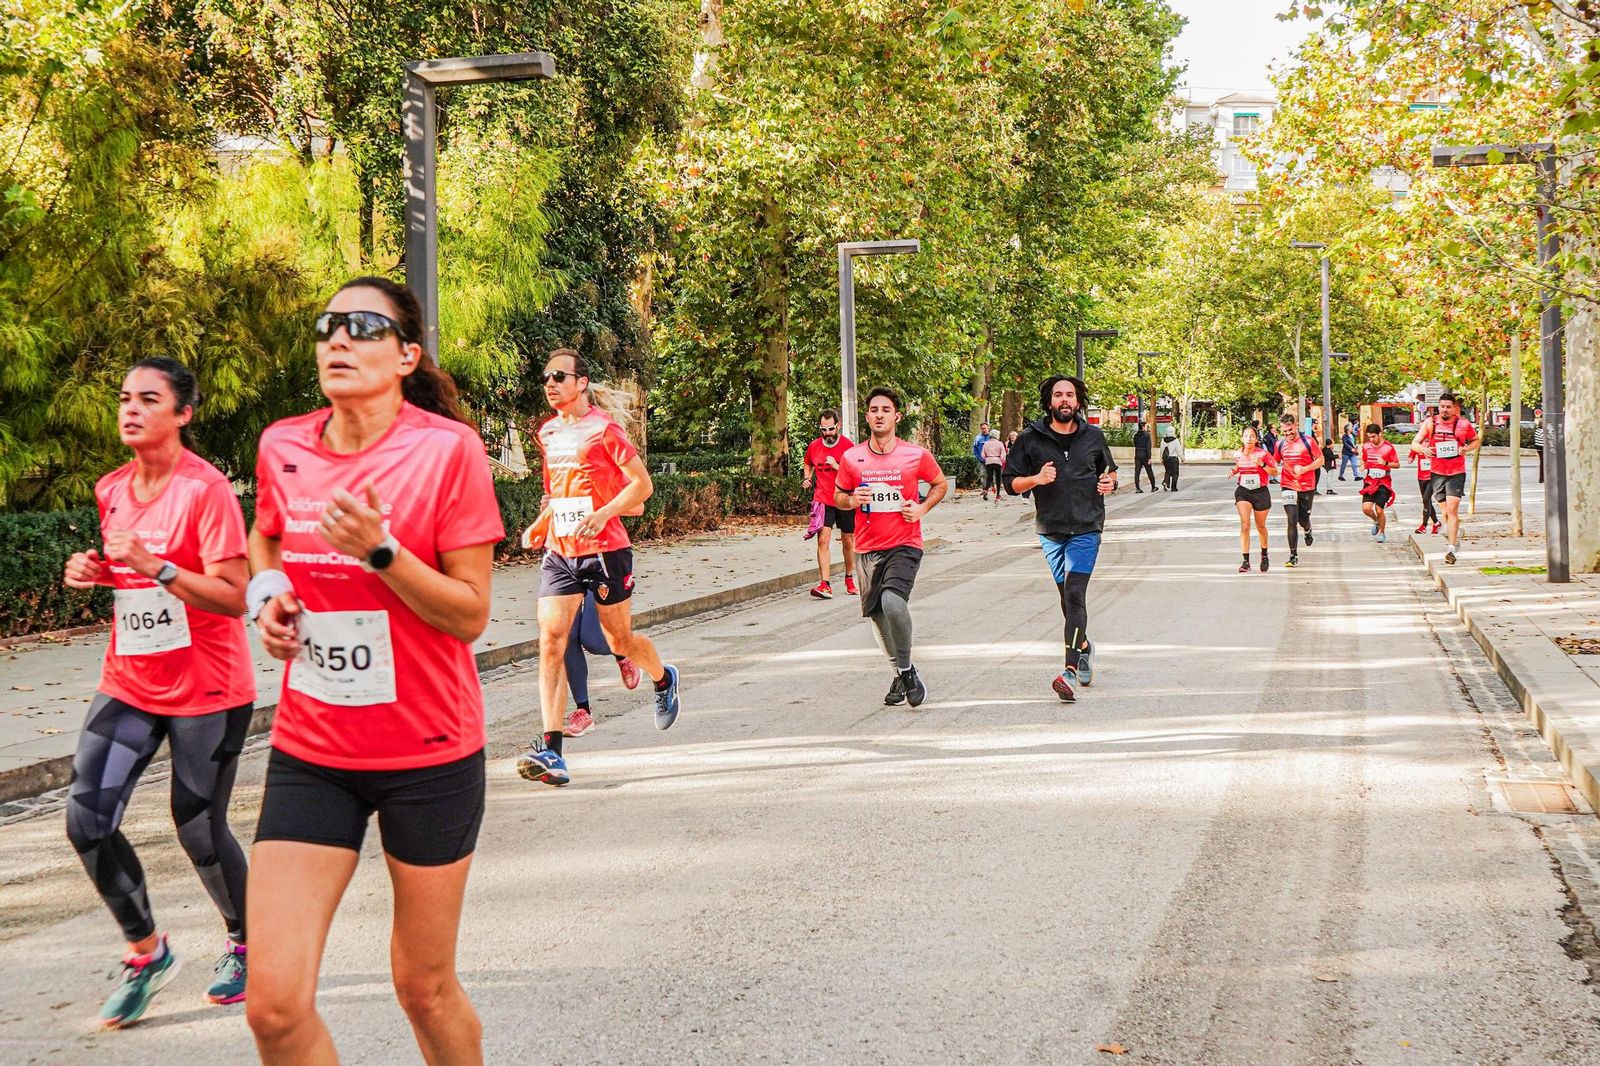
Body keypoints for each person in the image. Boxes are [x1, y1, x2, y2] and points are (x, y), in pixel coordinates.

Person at [244, 277, 505, 1064]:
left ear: (406, 355)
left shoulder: (446, 451)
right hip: (312, 749)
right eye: (327, 326)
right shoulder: (282, 445)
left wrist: (383, 553)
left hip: (428, 754)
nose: (337, 340)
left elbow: (469, 612)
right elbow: (266, 538)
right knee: (274, 1007)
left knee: (422, 988)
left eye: (362, 326)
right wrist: (269, 594)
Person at [60, 358, 255, 1028]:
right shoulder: (112, 487)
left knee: (198, 828)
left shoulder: (206, 492)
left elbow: (234, 596)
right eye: (124, 398)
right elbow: (130, 574)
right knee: (87, 819)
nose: (131, 409)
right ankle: (146, 952)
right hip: (132, 681)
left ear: (183, 414)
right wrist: (100, 571)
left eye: (149, 399)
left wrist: (157, 566)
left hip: (209, 689)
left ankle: (247, 941)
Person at [517, 349, 682, 787]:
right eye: (546, 377)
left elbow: (641, 487)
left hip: (606, 551)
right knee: (551, 640)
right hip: (560, 551)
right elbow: (555, 496)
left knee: (619, 640)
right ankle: (552, 750)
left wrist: (604, 513)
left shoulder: (605, 431)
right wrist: (539, 525)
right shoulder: (548, 432)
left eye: (559, 376)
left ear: (581, 382)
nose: (549, 384)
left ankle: (663, 678)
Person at [1003, 375, 1118, 703]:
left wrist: (1108, 482)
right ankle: (1083, 647)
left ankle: (1068, 669)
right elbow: (1010, 483)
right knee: (1066, 599)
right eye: (1058, 395)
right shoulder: (1030, 439)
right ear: (1049, 402)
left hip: (1087, 527)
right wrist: (1036, 479)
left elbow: (1108, 472)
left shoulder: (1094, 436)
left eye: (1070, 394)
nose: (1064, 400)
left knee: (1074, 593)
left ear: (1078, 401)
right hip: (1051, 531)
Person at [834, 388, 948, 708]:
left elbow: (940, 484)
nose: (880, 414)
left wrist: (922, 509)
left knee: (893, 604)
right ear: (867, 416)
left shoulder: (915, 454)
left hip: (905, 543)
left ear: (897, 416)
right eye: (874, 409)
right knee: (876, 616)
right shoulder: (852, 457)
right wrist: (852, 500)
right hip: (867, 548)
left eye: (886, 409)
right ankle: (901, 671)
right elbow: (839, 495)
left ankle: (907, 668)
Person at [559, 589, 643, 739]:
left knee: (593, 641)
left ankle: (622, 652)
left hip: (597, 571)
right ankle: (583, 712)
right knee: (567, 636)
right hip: (566, 570)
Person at [1410, 390, 1480, 564]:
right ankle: (1455, 535)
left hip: (1456, 472)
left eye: (1448, 407)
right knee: (1445, 513)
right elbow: (1415, 443)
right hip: (1437, 473)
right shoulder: (1429, 424)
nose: (1444, 410)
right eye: (1442, 406)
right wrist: (1424, 449)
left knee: (1452, 508)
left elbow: (1476, 440)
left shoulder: (1463, 424)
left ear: (1454, 408)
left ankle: (1451, 550)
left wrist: (1466, 449)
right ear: (1438, 407)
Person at [802, 409, 857, 598]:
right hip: (823, 499)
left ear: (838, 426)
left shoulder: (848, 446)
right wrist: (807, 477)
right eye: (823, 429)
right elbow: (808, 462)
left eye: (831, 429)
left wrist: (837, 466)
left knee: (848, 541)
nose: (827, 433)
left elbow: (855, 474)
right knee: (823, 540)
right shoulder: (814, 446)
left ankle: (849, 578)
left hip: (845, 498)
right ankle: (825, 584)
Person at [1272, 413, 1322, 568]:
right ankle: (1293, 555)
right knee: (1291, 519)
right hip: (1288, 484)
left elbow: (1321, 460)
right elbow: (1274, 462)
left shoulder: (1308, 441)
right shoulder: (1280, 444)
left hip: (1307, 486)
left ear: (1296, 425)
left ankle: (1308, 528)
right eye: (1285, 432)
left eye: (1290, 430)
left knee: (1302, 520)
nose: (1288, 434)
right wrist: (1269, 468)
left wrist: (1305, 468)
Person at [1228, 425, 1278, 573]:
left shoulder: (1263, 454)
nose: (1249, 439)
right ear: (1242, 438)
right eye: (1246, 436)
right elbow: (1239, 465)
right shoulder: (1237, 454)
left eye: (1252, 436)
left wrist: (1261, 464)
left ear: (1256, 439)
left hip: (1260, 492)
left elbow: (1275, 472)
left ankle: (1264, 555)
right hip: (1243, 491)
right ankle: (1245, 561)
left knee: (1260, 526)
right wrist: (1234, 471)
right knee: (1245, 525)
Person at [1359, 424, 1400, 543]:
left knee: (1379, 509)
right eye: (1369, 437)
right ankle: (1376, 521)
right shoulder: (1366, 446)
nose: (1371, 440)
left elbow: (1397, 465)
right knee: (1366, 509)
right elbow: (1364, 458)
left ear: (1379, 434)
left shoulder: (1388, 447)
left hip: (1384, 482)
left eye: (1373, 437)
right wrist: (1362, 464)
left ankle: (1382, 533)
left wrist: (1385, 463)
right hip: (1370, 480)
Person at [1413, 437, 1441, 535]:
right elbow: (1412, 453)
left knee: (1425, 499)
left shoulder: (1436, 441)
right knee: (1427, 502)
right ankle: (1437, 523)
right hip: (1421, 477)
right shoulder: (1417, 444)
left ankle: (1423, 526)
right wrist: (1411, 458)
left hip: (1433, 476)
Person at [980, 431, 1008, 502]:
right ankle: (997, 495)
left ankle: (986, 490)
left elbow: (982, 454)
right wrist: (1001, 460)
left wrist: (986, 458)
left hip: (989, 462)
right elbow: (1003, 454)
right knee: (998, 478)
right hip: (997, 461)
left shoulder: (986, 443)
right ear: (997, 435)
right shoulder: (1000, 443)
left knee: (989, 477)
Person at [1131, 424, 1157, 493]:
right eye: (1146, 426)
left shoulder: (1135, 435)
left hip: (1137, 454)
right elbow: (1148, 447)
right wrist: (1149, 457)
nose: (1146, 427)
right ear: (1143, 427)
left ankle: (1137, 488)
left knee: (1137, 472)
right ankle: (1153, 486)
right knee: (1149, 471)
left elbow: (1135, 444)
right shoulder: (1147, 435)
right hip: (1145, 455)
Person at [1533, 409, 1545, 484]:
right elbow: (1545, 439)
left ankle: (1542, 478)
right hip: (1542, 448)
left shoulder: (1537, 430)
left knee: (1542, 463)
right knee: (1543, 463)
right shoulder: (1541, 431)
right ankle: (1542, 478)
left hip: (1539, 448)